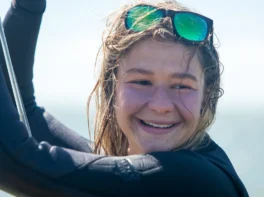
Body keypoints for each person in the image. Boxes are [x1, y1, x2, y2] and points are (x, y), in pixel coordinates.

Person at [0, 0, 249, 196]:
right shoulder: (126, 169)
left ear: (207, 97)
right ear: (112, 89)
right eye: (142, 82)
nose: (160, 105)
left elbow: (14, 163)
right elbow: (21, 109)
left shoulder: (196, 181)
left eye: (182, 86)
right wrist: (27, 6)